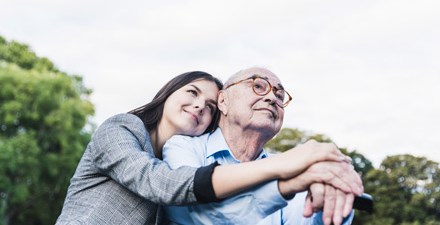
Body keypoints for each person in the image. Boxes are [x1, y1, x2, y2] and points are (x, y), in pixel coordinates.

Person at [56, 71, 361, 225]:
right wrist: (286, 169)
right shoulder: (122, 129)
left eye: (210, 105)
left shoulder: (174, 156)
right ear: (168, 93)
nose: (200, 104)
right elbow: (162, 184)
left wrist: (332, 185)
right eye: (192, 92)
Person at [163, 67, 361, 225]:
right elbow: (199, 216)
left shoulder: (296, 169)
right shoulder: (182, 148)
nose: (272, 98)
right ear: (223, 101)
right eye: (258, 86)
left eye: (280, 96)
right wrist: (286, 180)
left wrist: (333, 190)